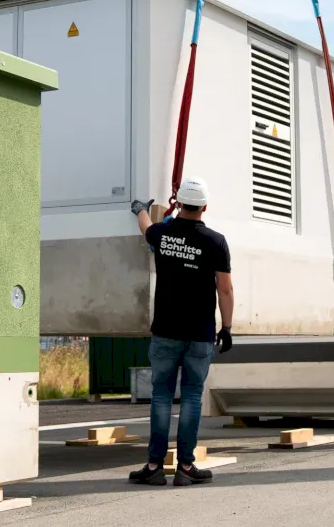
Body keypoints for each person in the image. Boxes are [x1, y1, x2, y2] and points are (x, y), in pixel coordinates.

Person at [126, 176, 234, 486]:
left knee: (161, 396)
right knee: (192, 397)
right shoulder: (216, 242)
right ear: (204, 206)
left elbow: (146, 226)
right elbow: (225, 289)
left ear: (180, 203)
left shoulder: (163, 233)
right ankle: (186, 466)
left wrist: (139, 209)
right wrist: (226, 328)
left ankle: (153, 467)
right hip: (200, 334)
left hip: (166, 331)